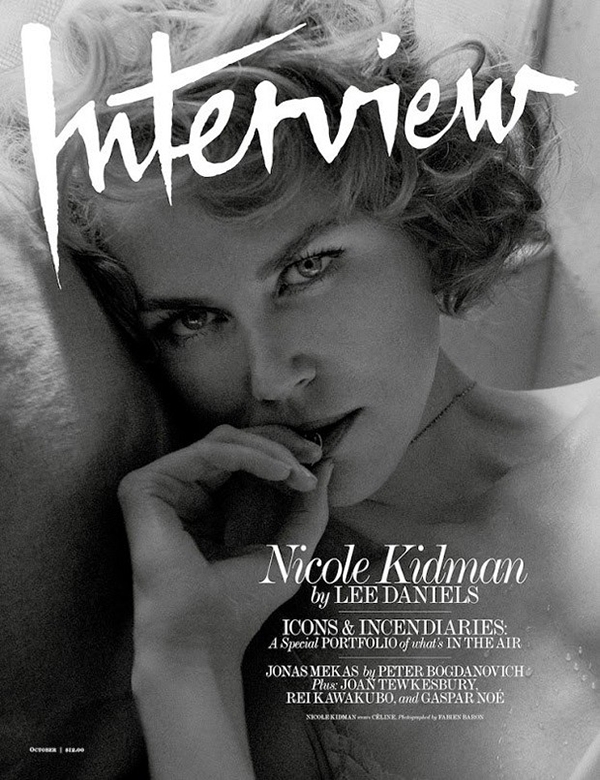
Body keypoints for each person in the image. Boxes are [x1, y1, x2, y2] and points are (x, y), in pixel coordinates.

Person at [16, 0, 600, 777]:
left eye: (307, 268)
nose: (271, 376)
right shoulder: (271, 656)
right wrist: (187, 661)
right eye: (194, 320)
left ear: (424, 216)